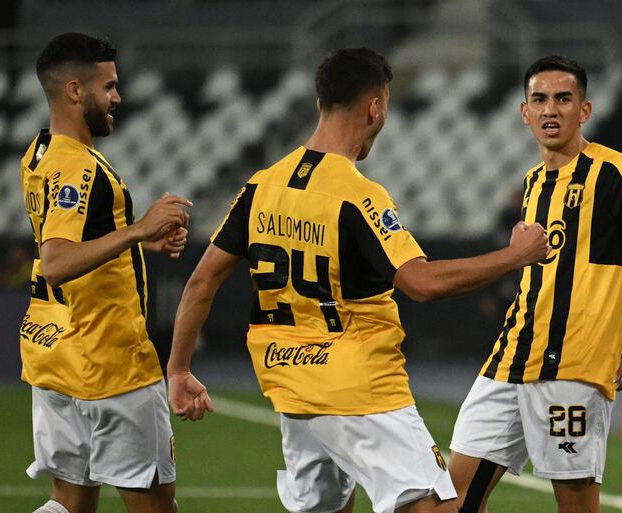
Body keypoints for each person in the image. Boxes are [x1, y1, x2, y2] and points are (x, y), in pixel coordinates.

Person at [166, 47, 550, 513]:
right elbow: (422, 283)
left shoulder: (261, 186)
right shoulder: (356, 195)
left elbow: (201, 283)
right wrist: (515, 256)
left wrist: (180, 369)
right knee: (439, 506)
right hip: (359, 387)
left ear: (318, 104)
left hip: (290, 384)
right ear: (376, 106)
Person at [447, 55, 622, 513]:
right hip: (510, 358)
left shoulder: (617, 171)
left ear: (584, 110)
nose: (550, 109)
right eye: (540, 99)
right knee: (450, 500)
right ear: (524, 111)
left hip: (575, 363)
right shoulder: (533, 182)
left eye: (563, 99)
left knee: (574, 505)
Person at [20, 33, 192, 513]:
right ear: (75, 91)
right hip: (111, 363)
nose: (118, 97)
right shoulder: (80, 170)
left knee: (70, 504)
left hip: (53, 355)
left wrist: (136, 242)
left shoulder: (38, 153)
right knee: (156, 506)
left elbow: (71, 239)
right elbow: (56, 261)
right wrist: (136, 231)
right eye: (109, 86)